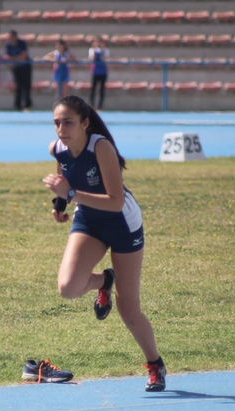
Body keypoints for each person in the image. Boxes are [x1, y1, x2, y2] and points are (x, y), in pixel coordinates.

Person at [42, 95, 167, 392]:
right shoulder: (56, 148)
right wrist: (61, 203)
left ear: (85, 123)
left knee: (128, 308)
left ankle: (155, 365)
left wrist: (70, 194)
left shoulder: (100, 146)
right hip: (89, 220)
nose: (61, 129)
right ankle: (103, 280)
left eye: (68, 122)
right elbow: (65, 175)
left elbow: (114, 202)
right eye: (57, 123)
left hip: (122, 222)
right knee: (68, 287)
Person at [4, 30, 32, 111]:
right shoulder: (7, 45)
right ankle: (17, 106)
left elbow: (24, 56)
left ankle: (27, 105)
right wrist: (17, 58)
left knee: (26, 86)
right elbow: (7, 57)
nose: (9, 39)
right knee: (18, 86)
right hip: (16, 68)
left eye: (11, 37)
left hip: (25, 67)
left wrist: (14, 58)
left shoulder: (22, 43)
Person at [88, 36, 109, 110]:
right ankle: (92, 105)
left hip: (103, 71)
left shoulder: (105, 50)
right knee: (93, 88)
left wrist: (102, 50)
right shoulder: (92, 50)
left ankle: (100, 106)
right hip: (95, 71)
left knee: (102, 89)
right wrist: (94, 50)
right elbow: (92, 59)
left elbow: (104, 59)